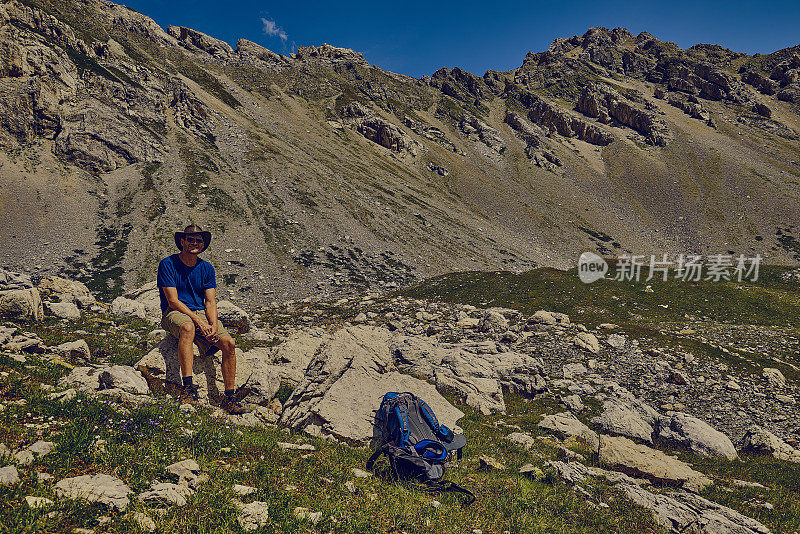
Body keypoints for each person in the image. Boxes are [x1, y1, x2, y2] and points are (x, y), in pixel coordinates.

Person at [157, 223, 246, 415]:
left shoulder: (206, 268)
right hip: (175, 313)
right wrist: (199, 322)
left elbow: (210, 301)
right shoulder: (168, 264)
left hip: (201, 313)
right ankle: (188, 389)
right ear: (182, 241)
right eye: (190, 239)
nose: (195, 243)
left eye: (199, 240)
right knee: (188, 327)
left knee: (229, 343)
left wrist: (213, 324)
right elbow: (172, 301)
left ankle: (230, 398)